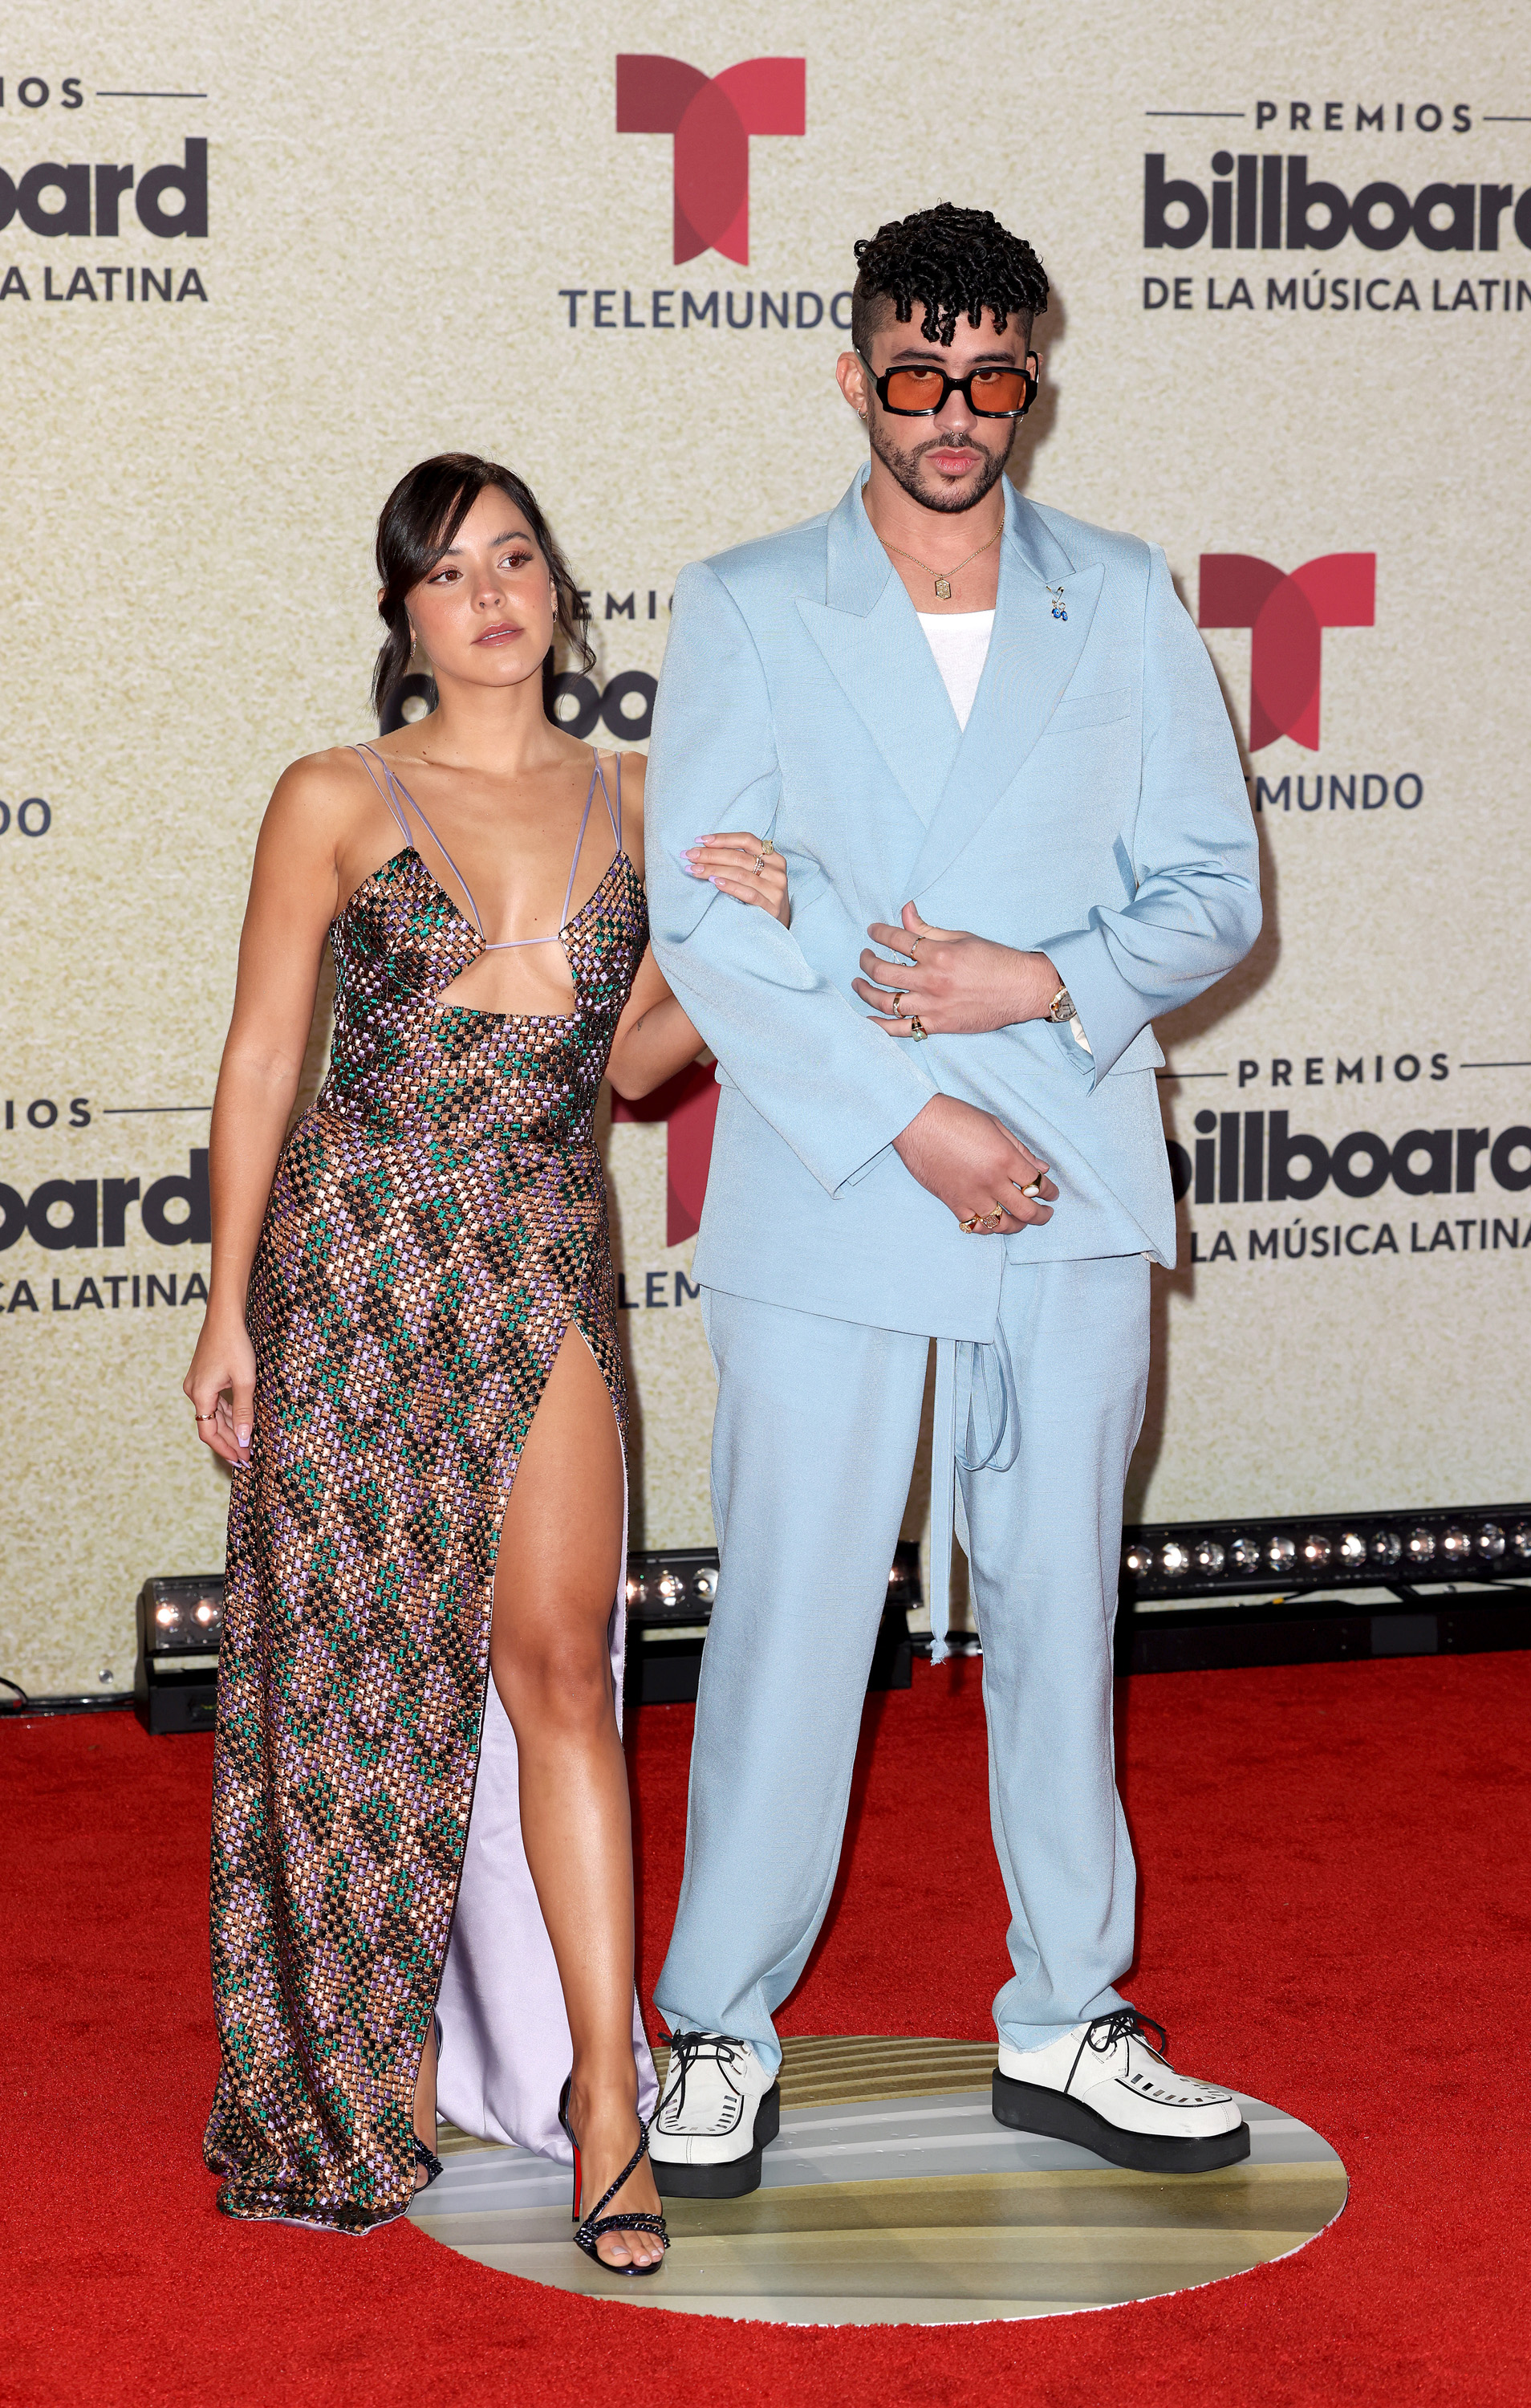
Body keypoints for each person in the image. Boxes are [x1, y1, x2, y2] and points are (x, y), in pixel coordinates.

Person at [641, 205, 1263, 2197]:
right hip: (842, 1183)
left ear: (1029, 384)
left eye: (989, 378)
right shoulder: (746, 603)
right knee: (794, 1622)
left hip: (1070, 1168)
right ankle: (716, 2030)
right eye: (913, 373)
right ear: (853, 373)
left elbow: (1212, 893)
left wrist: (1039, 982)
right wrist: (916, 1111)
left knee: (1064, 1617)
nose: (951, 413)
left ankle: (1067, 2016)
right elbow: (702, 930)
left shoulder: (1123, 594)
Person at [184, 453, 789, 2264]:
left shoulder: (636, 795)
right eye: (450, 573)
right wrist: (225, 1304)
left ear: (557, 588)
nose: (493, 593)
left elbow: (622, 1068)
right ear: (403, 619)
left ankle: (608, 2098)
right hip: (356, 1260)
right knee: (354, 1703)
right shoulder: (332, 797)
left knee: (558, 1677)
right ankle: (346, 2085)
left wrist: (733, 933)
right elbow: (261, 1061)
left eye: (516, 557)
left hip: (534, 1253)